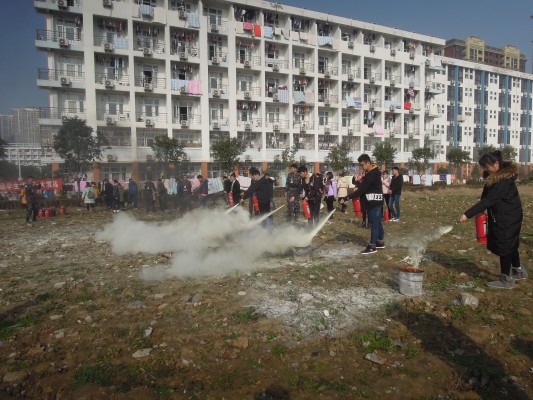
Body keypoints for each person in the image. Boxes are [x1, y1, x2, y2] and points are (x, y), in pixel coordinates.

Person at [459, 150, 527, 289]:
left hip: (507, 218)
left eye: (486, 166)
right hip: (509, 215)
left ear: (496, 163)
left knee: (505, 246)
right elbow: (486, 197)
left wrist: (467, 214)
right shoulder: (495, 177)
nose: (485, 169)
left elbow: (490, 200)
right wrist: (481, 209)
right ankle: (518, 270)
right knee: (512, 243)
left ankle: (505, 279)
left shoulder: (503, 181)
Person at [341, 154, 384, 254]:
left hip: (374, 201)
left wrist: (347, 197)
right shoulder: (371, 172)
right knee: (377, 222)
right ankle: (380, 242)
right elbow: (367, 186)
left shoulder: (372, 173)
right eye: (360, 165)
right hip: (373, 200)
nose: (361, 167)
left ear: (368, 163)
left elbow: (363, 190)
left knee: (373, 224)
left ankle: (372, 246)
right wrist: (359, 184)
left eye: (362, 165)